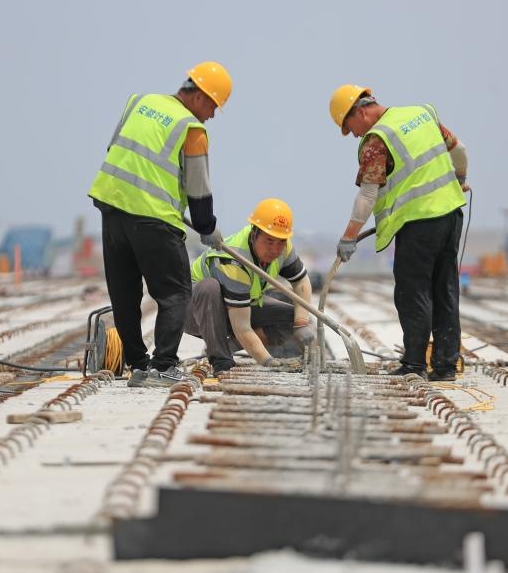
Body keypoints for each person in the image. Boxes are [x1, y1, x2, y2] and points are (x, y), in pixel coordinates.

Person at [88, 62, 231, 387]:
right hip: (153, 217)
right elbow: (199, 190)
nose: (210, 115)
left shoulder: (139, 102)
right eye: (213, 106)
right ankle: (163, 365)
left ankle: (138, 365)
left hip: (111, 205)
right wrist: (207, 227)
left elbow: (116, 150)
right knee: (176, 293)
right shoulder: (192, 129)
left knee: (125, 295)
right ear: (200, 96)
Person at [328, 85, 470, 380]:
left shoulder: (377, 140)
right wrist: (460, 180)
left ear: (360, 112)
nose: (352, 134)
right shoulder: (421, 113)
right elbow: (459, 150)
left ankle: (415, 364)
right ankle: (445, 365)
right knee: (445, 289)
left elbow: (367, 196)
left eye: (349, 126)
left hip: (418, 223)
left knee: (412, 293)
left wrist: (349, 236)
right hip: (452, 215)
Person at [186, 198, 315, 375]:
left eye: (280, 242)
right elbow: (242, 327)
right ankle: (220, 359)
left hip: (239, 307)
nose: (275, 250)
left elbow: (301, 281)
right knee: (209, 288)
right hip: (196, 313)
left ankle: (230, 346)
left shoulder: (283, 247)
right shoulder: (233, 259)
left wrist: (301, 323)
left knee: (289, 318)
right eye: (269, 242)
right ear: (254, 233)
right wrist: (267, 361)